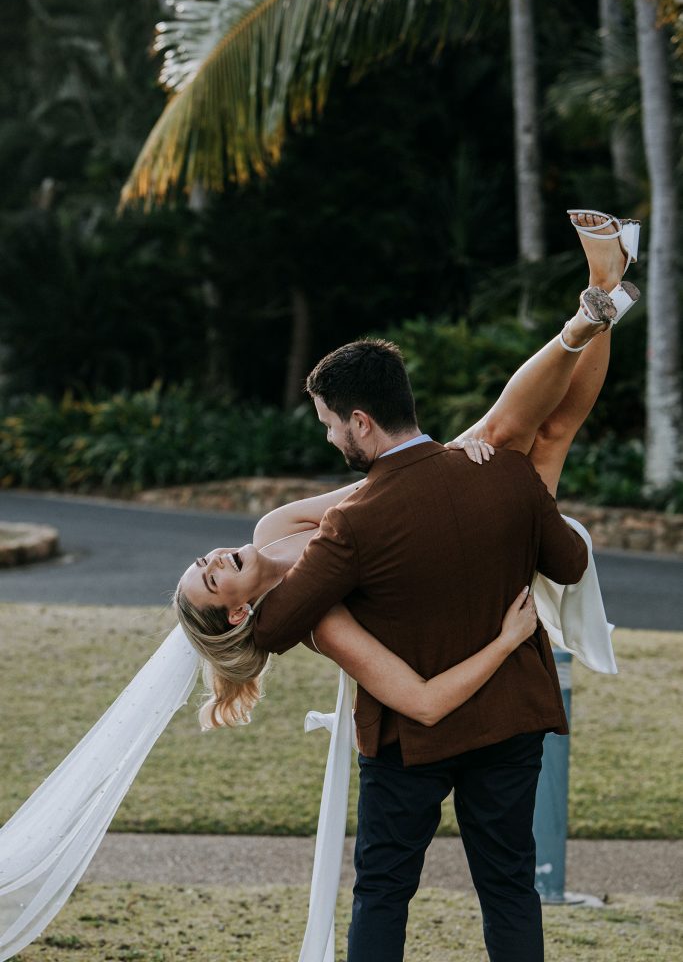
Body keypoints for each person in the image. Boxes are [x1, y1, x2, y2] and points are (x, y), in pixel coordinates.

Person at [0, 209, 635, 962]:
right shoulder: (316, 617)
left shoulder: (275, 527)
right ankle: (596, 303)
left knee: (526, 436)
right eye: (207, 581)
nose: (207, 559)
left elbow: (358, 507)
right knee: (519, 438)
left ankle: (600, 299)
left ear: (357, 421)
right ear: (234, 609)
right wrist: (495, 613)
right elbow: (403, 665)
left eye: (200, 561)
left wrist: (436, 472)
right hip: (435, 710)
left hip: (457, 584)